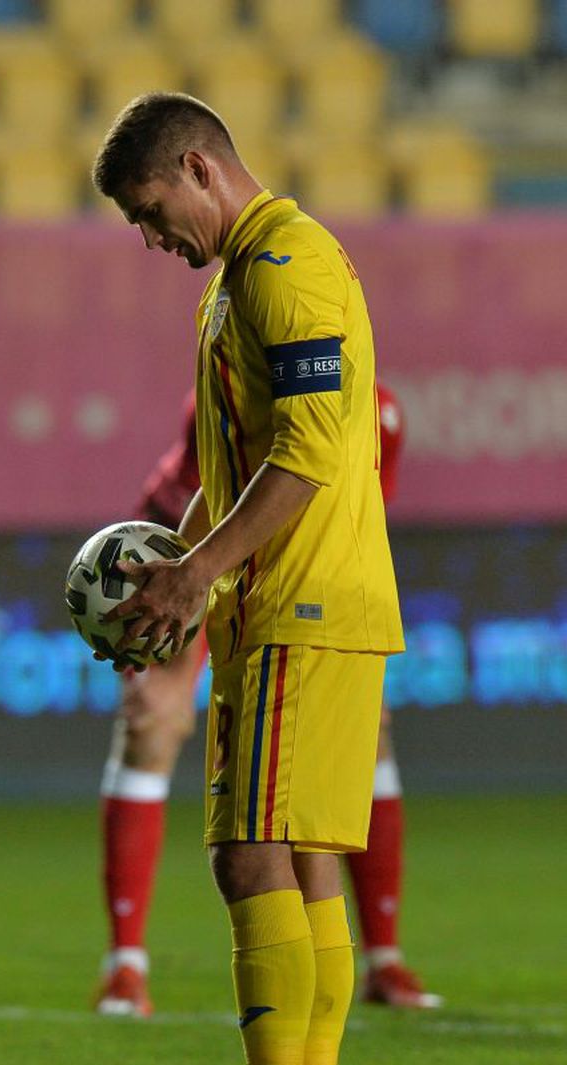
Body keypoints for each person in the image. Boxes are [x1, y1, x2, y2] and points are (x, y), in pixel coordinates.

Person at [92, 93, 405, 1065]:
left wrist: (204, 573)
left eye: (150, 210)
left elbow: (310, 456)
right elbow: (240, 468)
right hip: (294, 601)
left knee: (248, 853)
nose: (150, 237)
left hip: (300, 603)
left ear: (197, 167)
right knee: (306, 862)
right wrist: (171, 571)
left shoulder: (284, 265)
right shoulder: (240, 280)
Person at [95, 385, 441, 1018]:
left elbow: (357, 522)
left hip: (287, 563)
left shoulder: (381, 416)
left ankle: (385, 960)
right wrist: (181, 583)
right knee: (151, 722)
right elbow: (215, 501)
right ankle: (125, 967)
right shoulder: (246, 385)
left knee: (367, 734)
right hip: (192, 548)